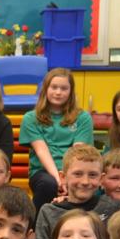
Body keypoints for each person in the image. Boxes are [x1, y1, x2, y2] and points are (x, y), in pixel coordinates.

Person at [19, 68, 93, 211]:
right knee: (48, 184)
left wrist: (69, 177)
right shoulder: (31, 118)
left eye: (64, 88)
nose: (58, 92)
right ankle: (33, 228)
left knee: (87, 185)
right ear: (45, 89)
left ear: (71, 92)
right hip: (43, 172)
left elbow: (77, 152)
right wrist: (59, 179)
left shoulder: (83, 118)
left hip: (74, 169)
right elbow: (41, 150)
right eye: (54, 87)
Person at [33, 146, 117, 239]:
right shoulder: (48, 211)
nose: (85, 182)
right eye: (78, 174)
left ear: (101, 179)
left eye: (92, 175)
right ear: (63, 177)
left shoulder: (112, 208)